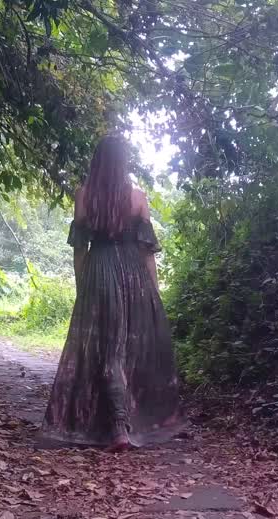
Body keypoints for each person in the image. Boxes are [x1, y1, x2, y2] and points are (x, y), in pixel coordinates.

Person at [41, 136, 186, 451]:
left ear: (97, 161)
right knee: (127, 347)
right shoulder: (137, 198)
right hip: (133, 273)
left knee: (106, 347)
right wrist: (154, 292)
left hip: (99, 269)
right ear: (124, 163)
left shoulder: (84, 196)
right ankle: (122, 424)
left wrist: (84, 287)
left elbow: (80, 249)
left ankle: (115, 425)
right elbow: (148, 252)